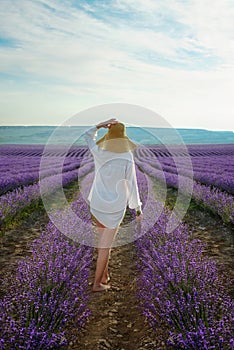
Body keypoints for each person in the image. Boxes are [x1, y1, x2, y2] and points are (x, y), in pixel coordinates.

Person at [85, 118, 143, 292]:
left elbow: (87, 136)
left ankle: (104, 276)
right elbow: (132, 184)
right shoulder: (127, 157)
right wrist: (137, 208)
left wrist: (100, 124)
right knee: (106, 246)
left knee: (102, 241)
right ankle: (97, 284)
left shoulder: (99, 152)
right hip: (115, 207)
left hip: (96, 204)